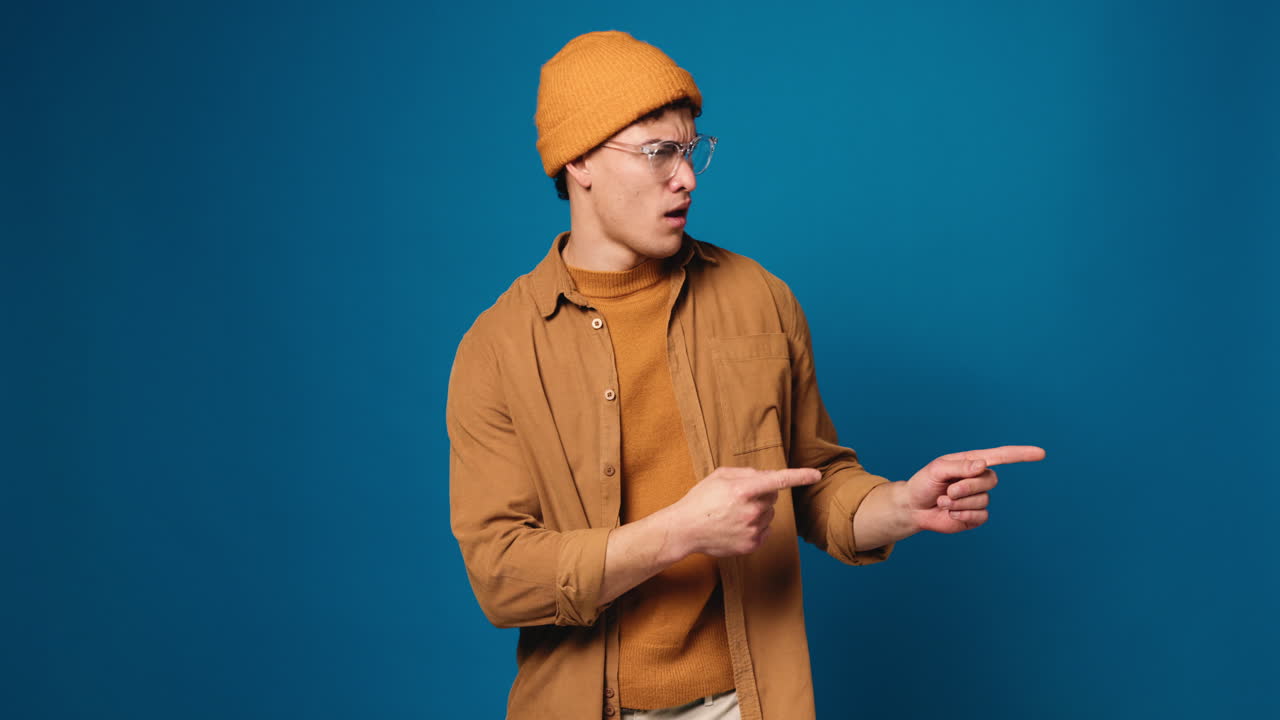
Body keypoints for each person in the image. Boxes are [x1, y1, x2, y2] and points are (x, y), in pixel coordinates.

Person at [446, 30, 1045, 720]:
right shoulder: (497, 350)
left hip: (749, 703)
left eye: (692, 149)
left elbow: (814, 483)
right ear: (578, 160)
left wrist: (900, 506)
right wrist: (680, 531)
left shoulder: (761, 298)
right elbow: (502, 577)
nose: (687, 178)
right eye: (658, 152)